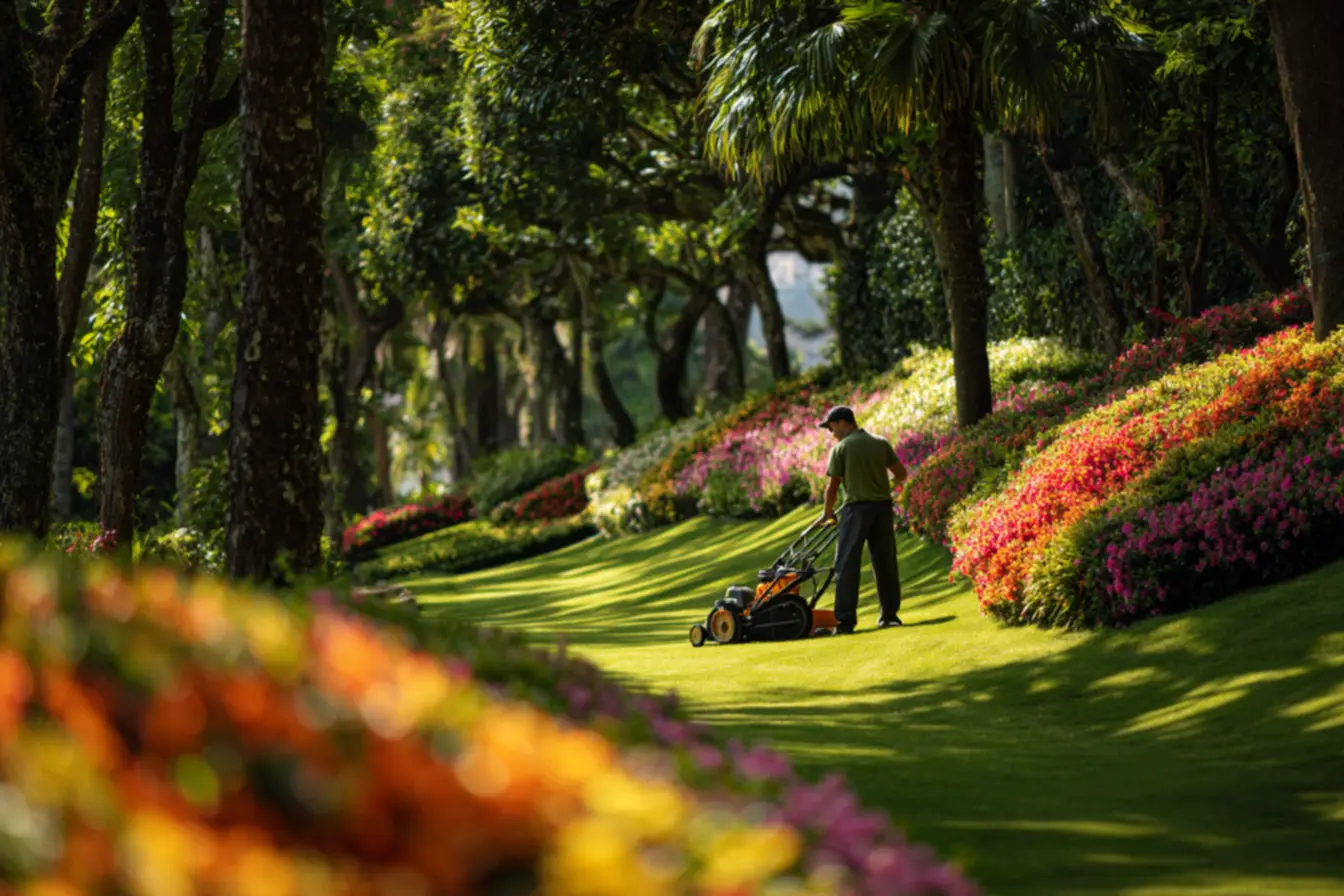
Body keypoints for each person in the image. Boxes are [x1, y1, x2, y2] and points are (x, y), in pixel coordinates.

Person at [817, 405, 907, 633]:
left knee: (846, 564)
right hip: (882, 508)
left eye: (831, 427)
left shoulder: (842, 448)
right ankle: (889, 615)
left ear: (843, 422)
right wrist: (884, 488)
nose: (831, 433)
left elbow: (832, 486)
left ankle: (845, 621)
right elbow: (901, 474)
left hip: (856, 509)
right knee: (885, 561)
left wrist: (828, 514)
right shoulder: (880, 442)